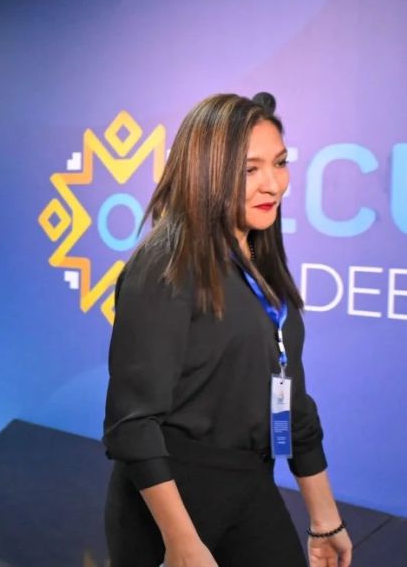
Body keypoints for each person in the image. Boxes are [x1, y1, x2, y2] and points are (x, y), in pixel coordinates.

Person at [103, 93, 353, 567]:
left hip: (251, 483)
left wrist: (325, 519)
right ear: (206, 172)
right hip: (171, 503)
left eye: (279, 163)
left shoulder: (260, 261)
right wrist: (181, 542)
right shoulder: (164, 266)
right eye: (249, 170)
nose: (273, 184)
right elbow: (132, 424)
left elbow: (291, 399)